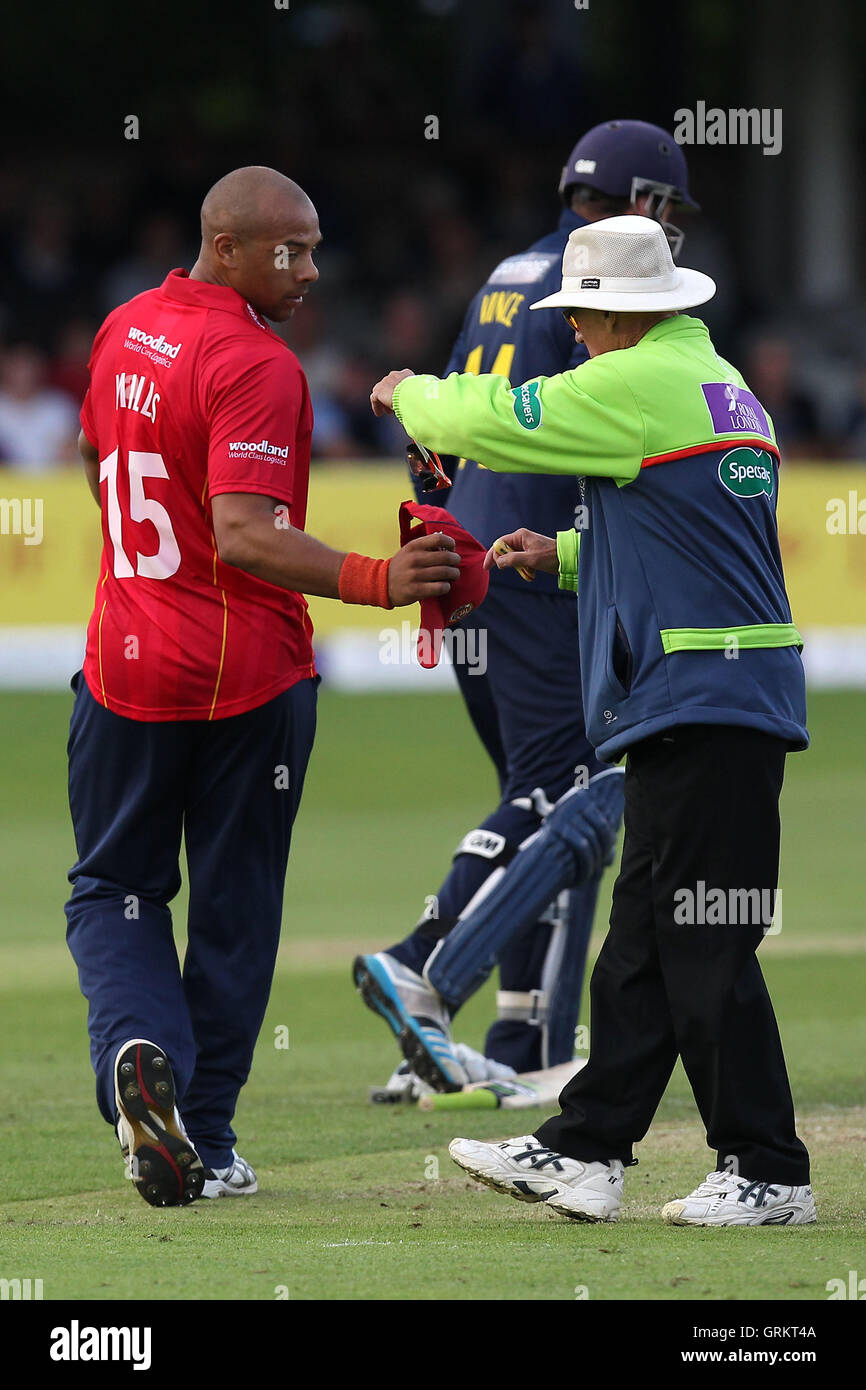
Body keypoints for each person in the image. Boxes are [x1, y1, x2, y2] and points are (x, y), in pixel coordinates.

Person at [369, 214, 815, 1227]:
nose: (571, 332)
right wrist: (561, 558)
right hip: (714, 696)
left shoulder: (633, 386)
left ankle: (768, 1168)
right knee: (645, 947)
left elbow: (500, 419)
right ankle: (586, 1150)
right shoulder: (718, 386)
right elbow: (688, 541)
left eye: (580, 316)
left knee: (702, 943)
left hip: (699, 696)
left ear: (619, 314)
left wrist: (411, 397)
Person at [66, 166, 460, 1207]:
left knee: (115, 888)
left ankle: (139, 1051)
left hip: (125, 665)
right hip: (248, 677)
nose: (310, 268)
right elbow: (244, 532)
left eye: (315, 246)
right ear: (227, 247)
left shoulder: (120, 329)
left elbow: (93, 452)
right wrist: (377, 579)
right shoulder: (256, 361)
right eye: (291, 249)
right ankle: (205, 1130)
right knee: (235, 909)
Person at [353, 120, 699, 1091]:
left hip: (464, 552)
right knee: (573, 790)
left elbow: (443, 439)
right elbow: (588, 431)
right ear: (641, 206)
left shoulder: (501, 273)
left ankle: (475, 1048)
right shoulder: (599, 287)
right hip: (534, 562)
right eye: (667, 213)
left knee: (540, 794)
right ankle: (443, 982)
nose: (672, 235)